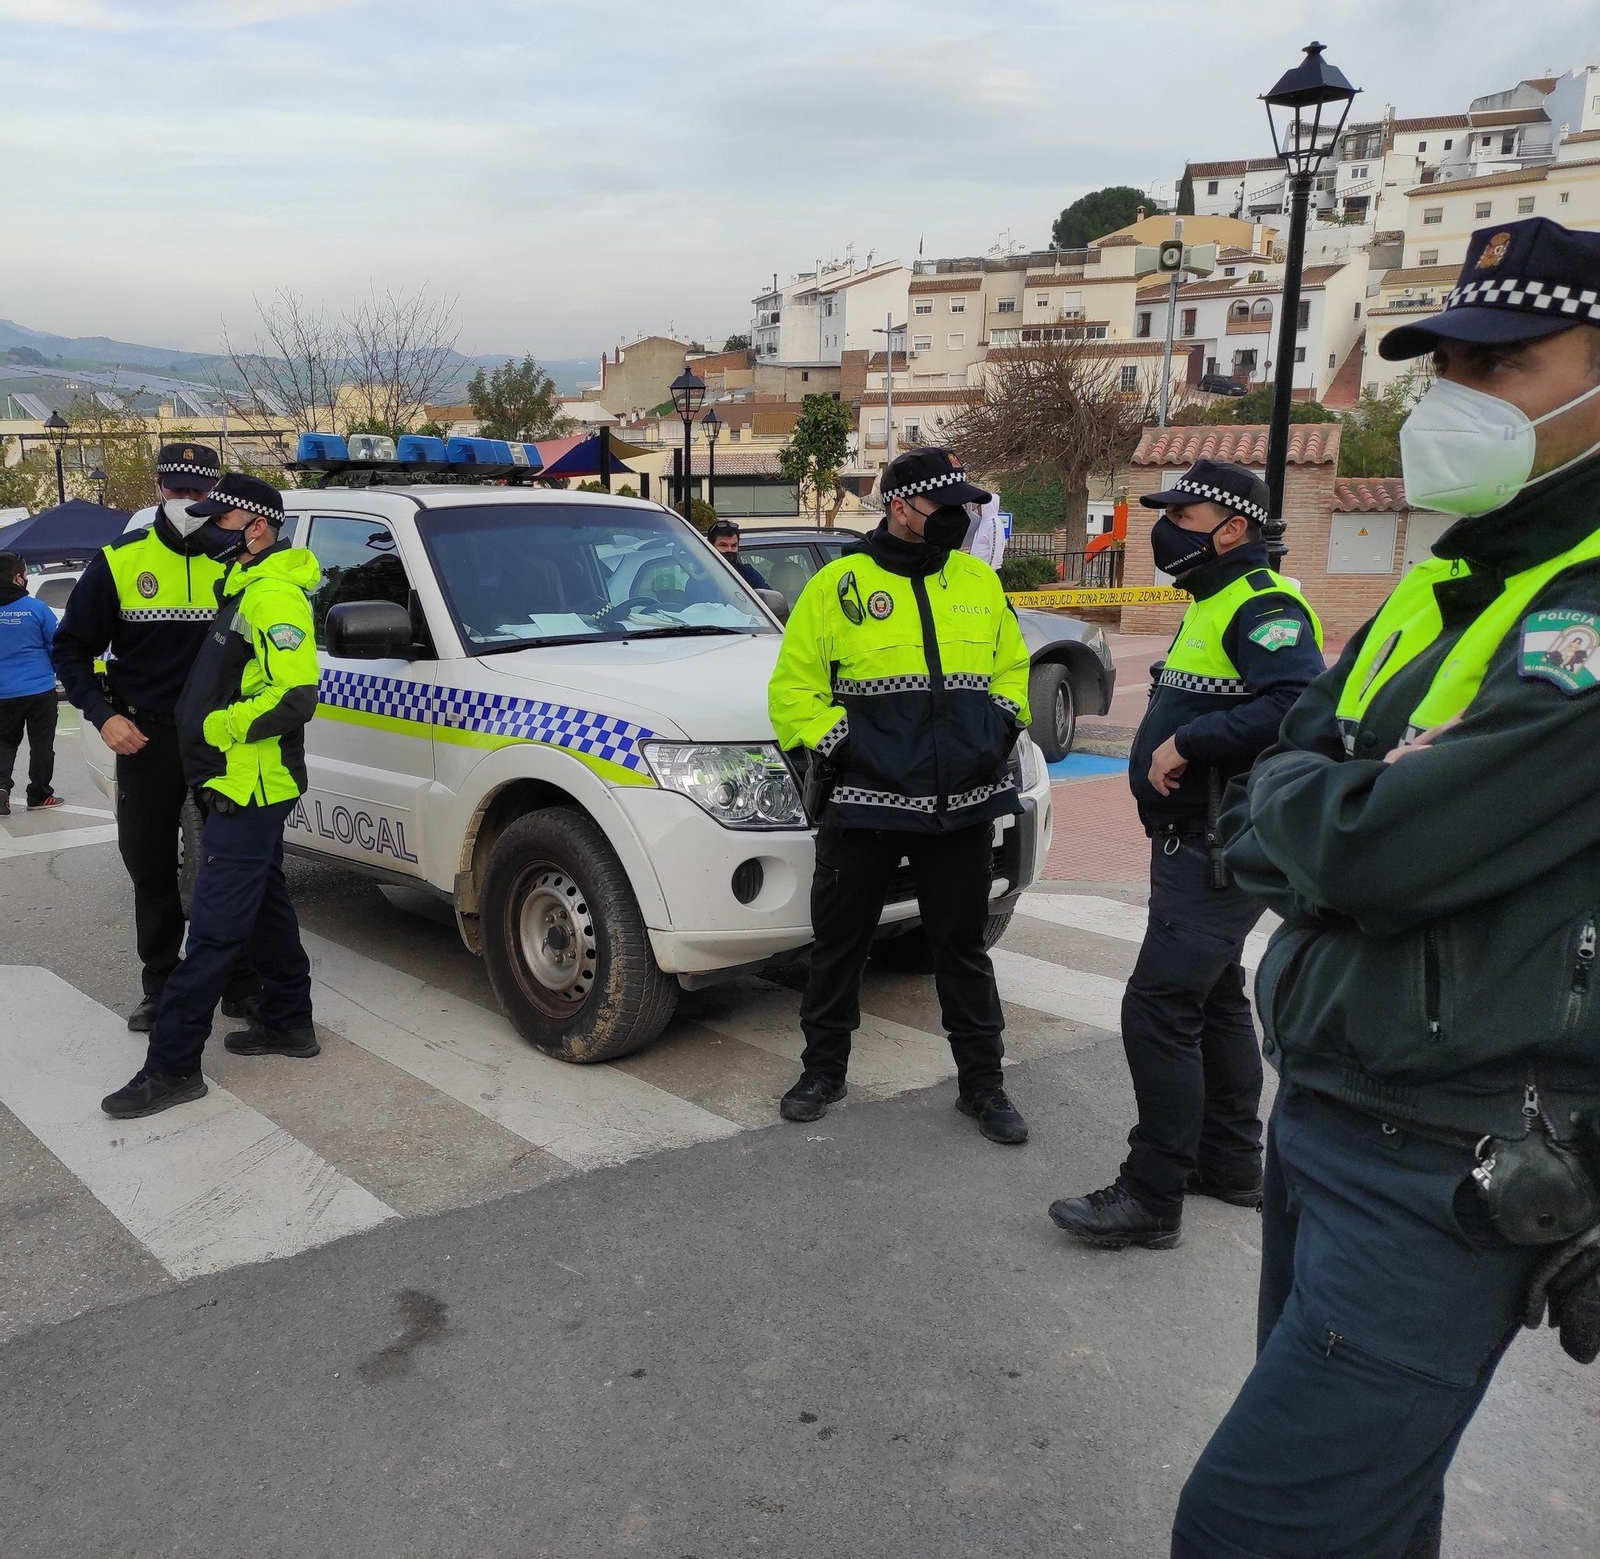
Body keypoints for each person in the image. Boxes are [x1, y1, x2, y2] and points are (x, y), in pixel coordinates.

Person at [1174, 217, 1600, 1557]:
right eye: (1448, 372)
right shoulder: (1450, 581)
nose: (1458, 403)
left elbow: (1367, 845)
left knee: (1255, 1523)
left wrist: (1347, 821)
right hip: (1336, 1100)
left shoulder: (1582, 606)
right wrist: (1352, 805)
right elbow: (1273, 805)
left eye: (1509, 368)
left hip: (1448, 1145)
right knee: (1367, 1512)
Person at [1049, 460, 1324, 1250]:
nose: (1168, 527)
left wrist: (1188, 741)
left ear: (1233, 528)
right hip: (1204, 841)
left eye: (1186, 514)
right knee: (1212, 998)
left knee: (1159, 1006)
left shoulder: (1262, 603)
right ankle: (1232, 1160)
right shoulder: (1216, 600)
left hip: (1214, 845)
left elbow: (1295, 704)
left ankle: (1150, 1194)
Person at [768, 446, 1032, 1144]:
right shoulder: (838, 587)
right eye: (942, 506)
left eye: (963, 507)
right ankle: (823, 1071)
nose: (956, 517)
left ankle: (984, 1085)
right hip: (866, 806)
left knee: (963, 948)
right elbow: (793, 691)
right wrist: (845, 747)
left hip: (962, 805)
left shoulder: (978, 582)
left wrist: (998, 728)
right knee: (839, 945)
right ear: (899, 506)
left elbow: (1012, 669)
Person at [103, 474, 322, 1119]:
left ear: (257, 528)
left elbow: (294, 695)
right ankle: (287, 1020)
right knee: (267, 901)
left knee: (216, 931)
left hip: (247, 785)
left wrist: (217, 729)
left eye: (218, 520)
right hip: (233, 780)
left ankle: (172, 1066)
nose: (206, 530)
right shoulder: (244, 586)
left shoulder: (274, 596)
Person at [51, 442, 260, 1032]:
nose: (187, 503)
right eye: (177, 492)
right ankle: (161, 983)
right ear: (159, 491)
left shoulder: (237, 559)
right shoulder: (119, 560)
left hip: (222, 738)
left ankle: (240, 983)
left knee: (230, 864)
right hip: (146, 736)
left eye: (199, 495)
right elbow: (70, 648)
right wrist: (100, 713)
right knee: (149, 864)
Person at [0, 551, 62, 815]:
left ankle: (1, 787)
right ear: (17, 577)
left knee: (4, 743)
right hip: (39, 690)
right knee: (41, 744)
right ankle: (38, 795)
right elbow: (56, 646)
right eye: (24, 574)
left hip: (3, 693)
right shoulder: (38, 609)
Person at [706, 519, 766, 590]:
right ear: (710, 546)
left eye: (734, 545)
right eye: (723, 545)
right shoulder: (700, 576)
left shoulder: (747, 573)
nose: (729, 550)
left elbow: (769, 596)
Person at [963, 492, 1007, 570]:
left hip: (989, 570)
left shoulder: (994, 524)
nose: (977, 508)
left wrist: (990, 571)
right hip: (980, 568)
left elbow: (995, 550)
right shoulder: (984, 522)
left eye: (980, 505)